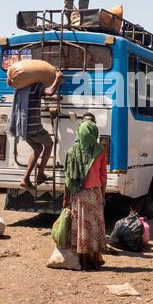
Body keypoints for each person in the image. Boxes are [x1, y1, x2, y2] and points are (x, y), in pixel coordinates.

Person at [63, 113, 107, 271]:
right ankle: (95, 261)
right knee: (94, 228)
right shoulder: (100, 151)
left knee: (81, 228)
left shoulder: (72, 151)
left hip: (78, 196)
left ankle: (82, 263)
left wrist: (65, 199)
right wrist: (102, 195)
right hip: (94, 195)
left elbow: (68, 178)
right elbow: (103, 177)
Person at [9, 72, 63, 190]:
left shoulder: (22, 87)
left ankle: (25, 178)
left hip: (23, 127)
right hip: (35, 128)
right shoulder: (36, 86)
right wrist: (57, 80)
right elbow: (49, 92)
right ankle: (40, 174)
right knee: (49, 145)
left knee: (38, 149)